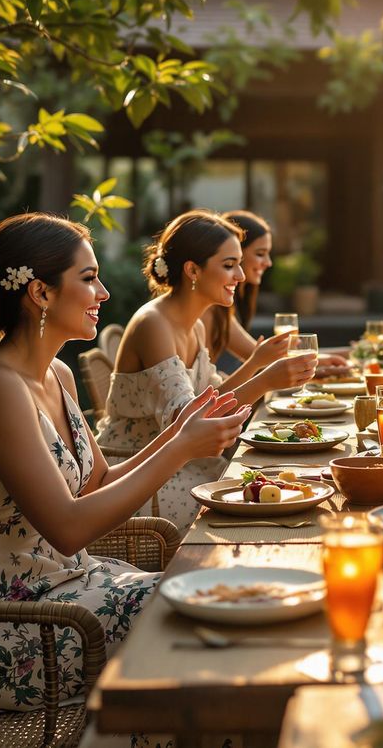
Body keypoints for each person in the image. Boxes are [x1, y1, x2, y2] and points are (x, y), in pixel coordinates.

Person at [0, 213, 250, 712]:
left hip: (64, 589)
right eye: (88, 278)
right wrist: (181, 449)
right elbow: (69, 528)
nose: (104, 293)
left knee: (219, 594)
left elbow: (98, 480)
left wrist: (180, 437)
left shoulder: (55, 373)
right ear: (41, 293)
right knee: (207, 623)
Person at [97, 210, 317, 530]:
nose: (240, 276)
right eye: (229, 265)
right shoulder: (154, 324)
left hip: (184, 464)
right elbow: (191, 423)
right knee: (268, 508)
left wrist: (257, 367)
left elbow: (210, 398)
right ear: (193, 270)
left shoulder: (195, 325)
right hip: (140, 477)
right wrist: (264, 380)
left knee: (286, 485)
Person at [202, 209, 350, 376]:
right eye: (260, 254)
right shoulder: (212, 306)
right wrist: (338, 358)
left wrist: (347, 353)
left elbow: (267, 359)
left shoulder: (229, 304)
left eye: (268, 254)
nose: (268, 263)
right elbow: (260, 358)